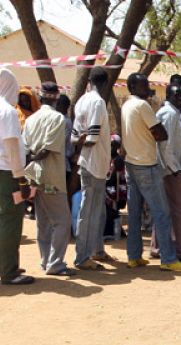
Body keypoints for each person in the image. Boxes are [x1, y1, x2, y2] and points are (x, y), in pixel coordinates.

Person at [121, 72, 181, 273]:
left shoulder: (126, 105)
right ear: (133, 87)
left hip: (131, 163)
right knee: (162, 213)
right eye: (144, 85)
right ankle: (168, 258)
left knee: (134, 213)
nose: (148, 89)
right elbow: (161, 133)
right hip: (146, 164)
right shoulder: (142, 106)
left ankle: (134, 256)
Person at [0, 68, 35, 285]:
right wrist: (21, 179)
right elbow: (12, 146)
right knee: (11, 219)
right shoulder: (8, 111)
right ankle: (10, 272)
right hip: (9, 171)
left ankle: (3, 265)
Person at [23, 81, 73, 277]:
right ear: (56, 99)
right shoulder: (57, 119)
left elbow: (26, 148)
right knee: (62, 221)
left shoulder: (31, 119)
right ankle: (55, 263)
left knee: (43, 221)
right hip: (51, 175)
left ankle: (46, 260)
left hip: (34, 174)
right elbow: (47, 149)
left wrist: (30, 163)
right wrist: (36, 157)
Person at [72, 67, 113, 271]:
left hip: (92, 162)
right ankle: (82, 257)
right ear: (104, 83)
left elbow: (75, 136)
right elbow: (92, 137)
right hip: (93, 162)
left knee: (96, 210)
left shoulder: (82, 101)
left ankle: (96, 250)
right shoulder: (97, 102)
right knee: (88, 212)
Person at [153, 84, 181, 266]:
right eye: (176, 96)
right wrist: (175, 169)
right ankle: (180, 252)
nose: (180, 99)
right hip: (171, 170)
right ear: (168, 95)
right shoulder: (169, 114)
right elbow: (165, 145)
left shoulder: (168, 113)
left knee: (165, 211)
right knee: (178, 213)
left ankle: (158, 248)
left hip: (165, 170)